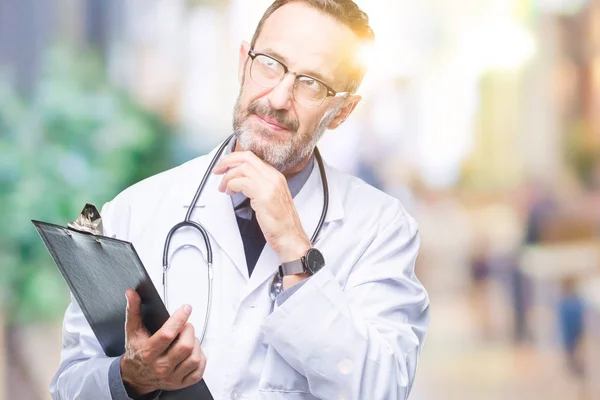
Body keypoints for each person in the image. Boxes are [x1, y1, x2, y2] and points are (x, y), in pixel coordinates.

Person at [50, 1, 430, 399]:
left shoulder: (381, 229)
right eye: (270, 63)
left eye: (312, 84)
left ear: (342, 112)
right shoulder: (135, 210)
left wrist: (295, 248)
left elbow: (383, 389)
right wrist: (131, 376)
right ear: (243, 62)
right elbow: (68, 386)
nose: (280, 97)